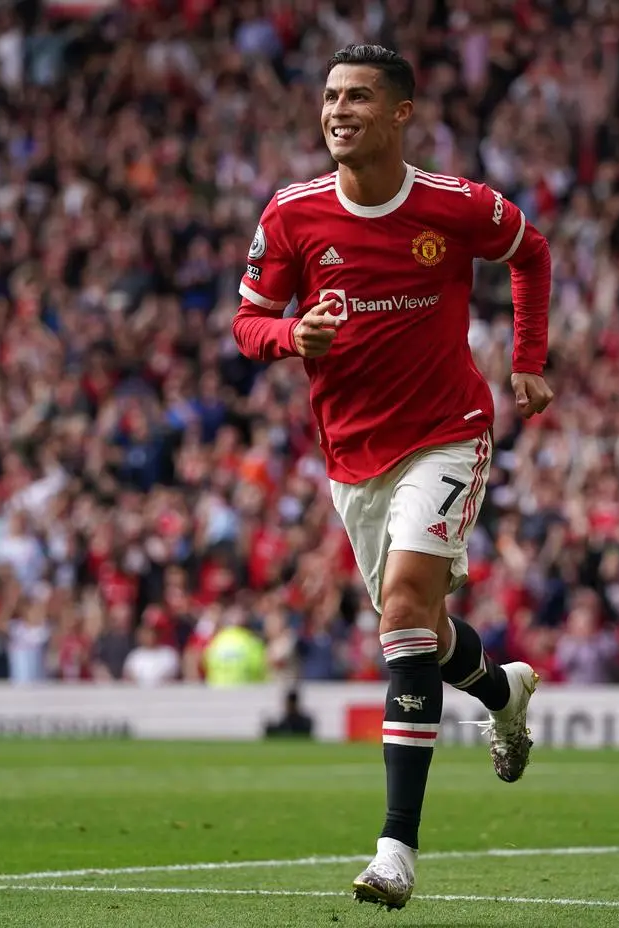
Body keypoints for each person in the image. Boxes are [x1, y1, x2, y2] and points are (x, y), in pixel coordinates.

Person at [231, 44, 553, 909]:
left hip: (449, 433)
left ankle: (395, 851)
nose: (339, 110)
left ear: (402, 113)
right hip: (352, 457)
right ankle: (501, 690)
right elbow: (246, 322)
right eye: (331, 96)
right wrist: (289, 338)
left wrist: (527, 359)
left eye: (360, 97)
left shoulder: (454, 206)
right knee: (421, 631)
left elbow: (531, 251)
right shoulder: (293, 214)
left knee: (406, 611)